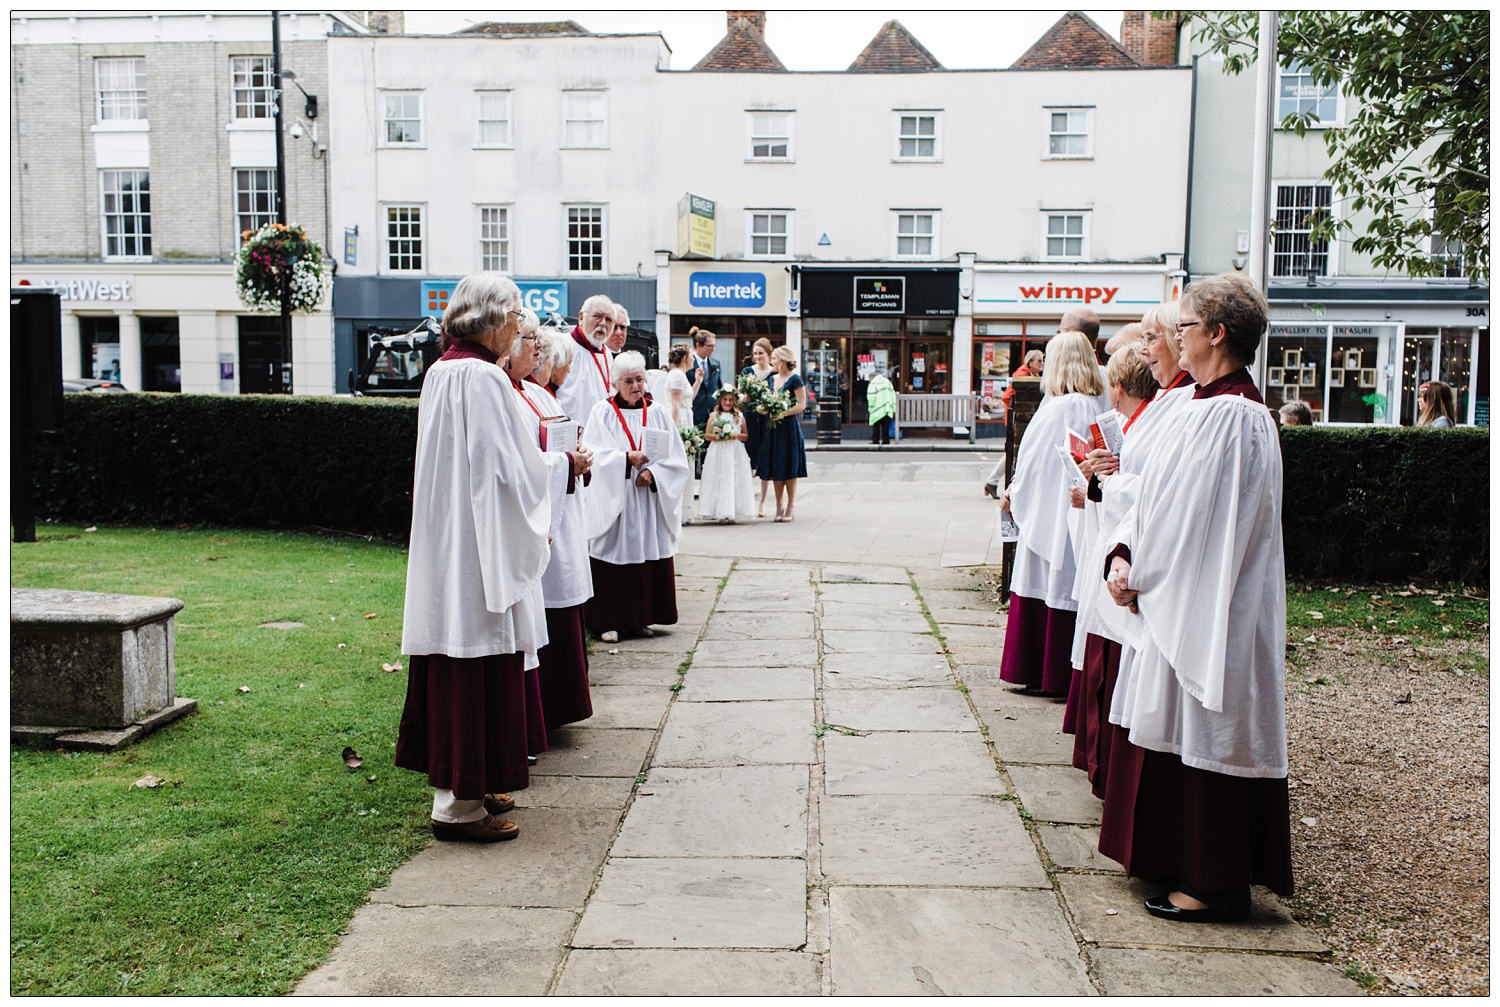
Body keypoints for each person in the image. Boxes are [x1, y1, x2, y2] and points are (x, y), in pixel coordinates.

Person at [1102, 273, 1292, 922]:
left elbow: (1189, 519)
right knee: (1182, 727)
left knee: (1207, 730)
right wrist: (1126, 550)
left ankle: (1212, 879)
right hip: (1185, 589)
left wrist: (1138, 570)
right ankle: (1183, 861)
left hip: (1210, 600)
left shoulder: (1231, 416)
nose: (1174, 337)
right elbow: (1157, 495)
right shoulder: (1208, 407)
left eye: (1184, 326)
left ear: (1216, 333)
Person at [395, 273, 551, 843]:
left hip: (451, 536)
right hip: (477, 547)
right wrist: (561, 470)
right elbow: (503, 470)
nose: (517, 328)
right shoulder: (482, 377)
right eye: (513, 317)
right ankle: (457, 809)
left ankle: (469, 783)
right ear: (490, 319)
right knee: (476, 660)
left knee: (461, 658)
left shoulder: (441, 372)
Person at [997, 330, 1107, 696]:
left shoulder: (1060, 408)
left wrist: (1014, 491)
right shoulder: (1094, 405)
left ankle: (1039, 670)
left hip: (1050, 511)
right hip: (1075, 511)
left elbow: (1034, 464)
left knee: (1046, 583)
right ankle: (1060, 673)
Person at [509, 315, 597, 738]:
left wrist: (577, 456)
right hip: (541, 520)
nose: (540, 354)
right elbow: (520, 465)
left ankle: (561, 708)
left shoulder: (539, 395)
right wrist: (567, 463)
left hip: (561, 515)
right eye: (532, 344)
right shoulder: (513, 396)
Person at [582, 350, 690, 644]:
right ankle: (608, 621)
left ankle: (640, 618)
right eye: (628, 380)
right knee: (613, 555)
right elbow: (593, 454)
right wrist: (624, 459)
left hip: (647, 501)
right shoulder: (601, 413)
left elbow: (676, 459)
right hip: (616, 500)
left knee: (644, 555)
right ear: (615, 383)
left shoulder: (656, 412)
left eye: (640, 379)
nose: (636, 386)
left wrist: (655, 475)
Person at [759, 345, 808, 522]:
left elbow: (802, 404)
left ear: (782, 360)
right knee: (776, 465)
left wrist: (783, 412)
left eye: (774, 358)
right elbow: (766, 399)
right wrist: (763, 408)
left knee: (789, 466)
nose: (771, 361)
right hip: (772, 426)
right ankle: (778, 505)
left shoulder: (795, 379)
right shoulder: (771, 379)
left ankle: (791, 505)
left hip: (788, 427)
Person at [987, 348, 1045, 498]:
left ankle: (991, 483)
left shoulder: (1033, 375)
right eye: (1039, 361)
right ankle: (992, 482)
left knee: (1011, 453)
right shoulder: (1023, 375)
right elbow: (1006, 397)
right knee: (1012, 453)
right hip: (1015, 420)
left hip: (1017, 420)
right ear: (1030, 362)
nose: (1042, 363)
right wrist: (1013, 412)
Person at [555, 294, 615, 431]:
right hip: (570, 437)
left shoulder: (608, 354)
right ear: (581, 317)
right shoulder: (562, 345)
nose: (603, 323)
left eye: (609, 320)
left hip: (600, 437)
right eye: (597, 316)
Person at [697, 386, 755, 523]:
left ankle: (732, 512)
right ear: (720, 401)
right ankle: (720, 513)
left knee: (733, 479)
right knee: (719, 478)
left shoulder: (739, 416)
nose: (727, 403)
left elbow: (745, 436)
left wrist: (735, 435)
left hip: (734, 451)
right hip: (718, 451)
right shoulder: (714, 416)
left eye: (730, 400)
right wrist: (718, 436)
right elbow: (707, 435)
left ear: (734, 401)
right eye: (725, 400)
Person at [740, 337, 775, 517]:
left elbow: (777, 395)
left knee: (764, 458)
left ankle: (762, 503)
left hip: (766, 418)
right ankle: (748, 500)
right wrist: (744, 398)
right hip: (750, 418)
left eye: (761, 353)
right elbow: (740, 396)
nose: (758, 356)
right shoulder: (747, 371)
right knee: (748, 457)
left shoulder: (774, 373)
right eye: (755, 353)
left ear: (768, 354)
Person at [688, 327, 722, 429]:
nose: (713, 349)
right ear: (698, 345)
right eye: (710, 346)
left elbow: (718, 387)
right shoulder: (688, 363)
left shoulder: (716, 363)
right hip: (696, 411)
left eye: (714, 345)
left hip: (713, 413)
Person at [665, 344, 702, 432]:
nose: (693, 359)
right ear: (685, 358)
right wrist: (675, 429)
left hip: (685, 416)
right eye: (692, 356)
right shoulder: (678, 375)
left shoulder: (680, 374)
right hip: (680, 418)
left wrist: (698, 382)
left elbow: (687, 399)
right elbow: (675, 403)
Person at [866, 368, 897, 445]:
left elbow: (871, 397)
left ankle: (875, 440)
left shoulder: (873, 383)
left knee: (876, 425)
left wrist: (871, 407)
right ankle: (886, 440)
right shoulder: (888, 382)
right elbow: (893, 396)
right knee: (885, 425)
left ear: (872, 377)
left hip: (877, 408)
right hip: (887, 407)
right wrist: (893, 408)